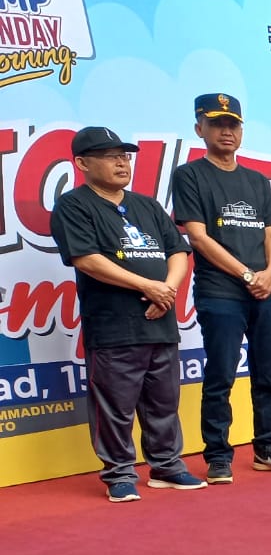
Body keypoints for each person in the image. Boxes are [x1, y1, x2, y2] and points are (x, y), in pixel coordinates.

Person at [50, 127, 199, 502]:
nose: (122, 162)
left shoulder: (146, 205)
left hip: (161, 322)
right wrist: (146, 286)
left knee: (164, 402)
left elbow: (177, 251)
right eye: (110, 155)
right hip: (114, 326)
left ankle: (166, 466)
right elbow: (88, 260)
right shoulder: (74, 205)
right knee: (115, 406)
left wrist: (167, 289)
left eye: (125, 155)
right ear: (83, 163)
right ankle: (118, 473)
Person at [171, 93, 271, 483]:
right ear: (200, 129)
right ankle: (217, 455)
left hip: (266, 290)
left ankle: (268, 448)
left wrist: (270, 273)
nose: (226, 131)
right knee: (221, 374)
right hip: (221, 291)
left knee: (268, 372)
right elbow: (197, 236)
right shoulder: (190, 175)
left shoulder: (257, 181)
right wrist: (247, 275)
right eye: (217, 124)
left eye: (233, 125)